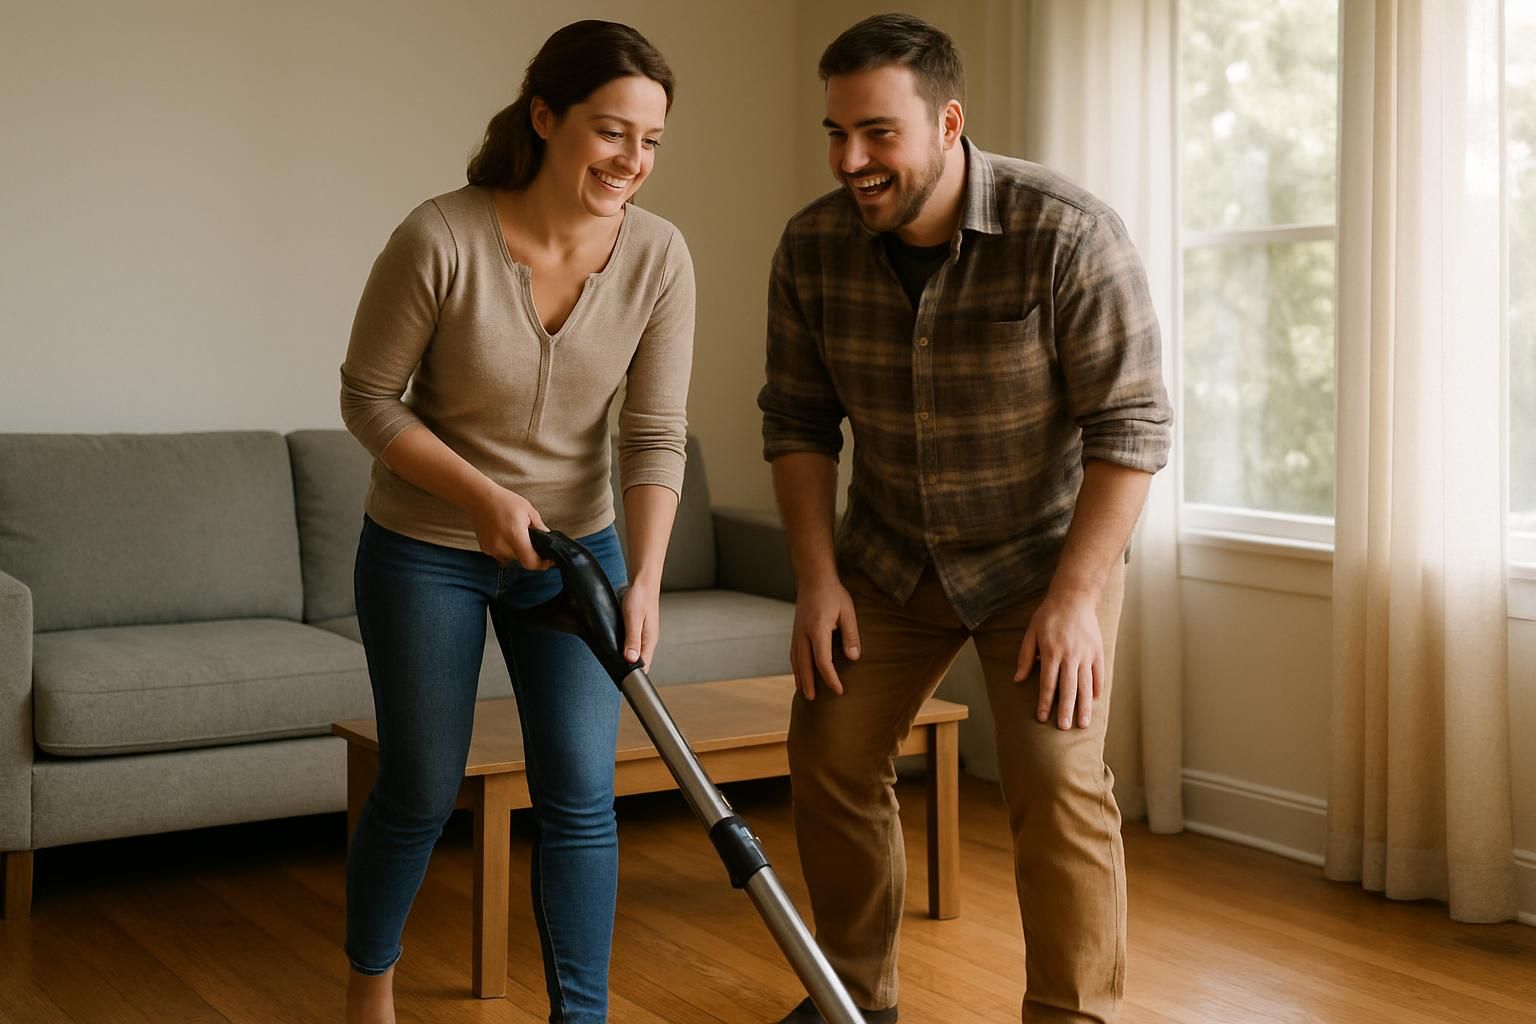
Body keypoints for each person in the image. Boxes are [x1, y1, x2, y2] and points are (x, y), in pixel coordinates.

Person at [758, 14, 1172, 1024]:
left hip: (1043, 558)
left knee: (1053, 776)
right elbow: (800, 423)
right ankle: (852, 997)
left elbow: (1133, 424)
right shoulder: (813, 246)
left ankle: (1071, 1014)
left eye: (878, 133)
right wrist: (817, 581)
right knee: (830, 751)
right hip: (889, 555)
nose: (850, 159)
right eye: (835, 132)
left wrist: (1077, 599)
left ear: (948, 123)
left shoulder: (1066, 232)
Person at [337, 20, 694, 1024]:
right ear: (545, 118)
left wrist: (647, 578)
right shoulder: (439, 237)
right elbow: (368, 398)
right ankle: (370, 987)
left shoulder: (661, 257)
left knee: (583, 791)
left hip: (576, 551)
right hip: (425, 548)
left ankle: (582, 1017)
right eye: (610, 131)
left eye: (651, 141)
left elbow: (655, 434)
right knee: (417, 782)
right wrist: (483, 499)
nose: (631, 160)